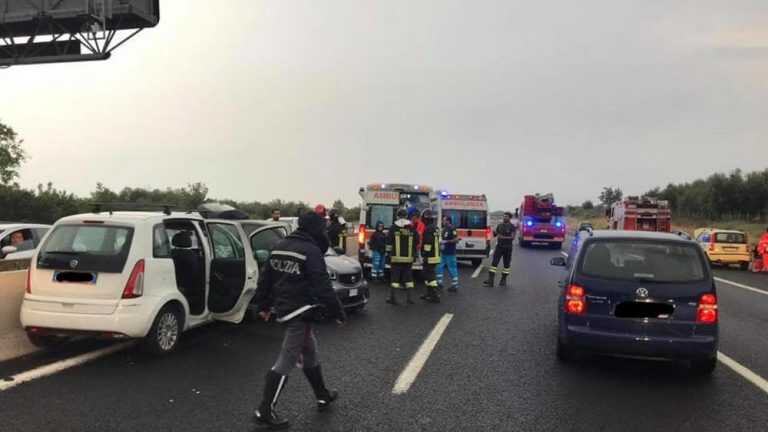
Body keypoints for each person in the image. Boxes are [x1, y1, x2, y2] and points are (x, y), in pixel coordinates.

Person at [251, 212, 347, 429]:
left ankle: (322, 395)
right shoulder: (311, 250)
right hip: (300, 311)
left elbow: (266, 278)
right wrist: (338, 312)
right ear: (314, 229)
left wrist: (263, 305)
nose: (324, 232)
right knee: (287, 359)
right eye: (322, 228)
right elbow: (322, 285)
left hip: (284, 307)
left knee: (310, 351)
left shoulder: (280, 245)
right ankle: (264, 409)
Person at [386, 208, 419, 305]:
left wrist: (388, 255)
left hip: (396, 259)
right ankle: (409, 299)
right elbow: (417, 240)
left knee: (395, 280)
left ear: (398, 216)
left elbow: (388, 243)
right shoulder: (411, 227)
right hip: (408, 259)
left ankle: (393, 298)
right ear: (406, 216)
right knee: (408, 279)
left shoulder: (393, 227)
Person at [483, 212, 517, 287]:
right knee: (494, 264)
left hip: (508, 248)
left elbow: (513, 237)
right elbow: (495, 234)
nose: (504, 217)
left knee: (506, 265)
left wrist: (502, 237)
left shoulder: (512, 227)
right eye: (504, 216)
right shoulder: (500, 225)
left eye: (506, 216)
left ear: (509, 218)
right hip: (499, 247)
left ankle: (503, 280)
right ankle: (490, 281)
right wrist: (493, 232)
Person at [419, 209, 441, 303]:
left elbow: (428, 243)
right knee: (427, 274)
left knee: (430, 275)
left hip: (430, 256)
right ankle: (429, 293)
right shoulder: (435, 228)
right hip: (435, 255)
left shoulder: (428, 229)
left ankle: (434, 295)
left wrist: (425, 255)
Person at [436, 215, 460, 292]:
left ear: (448, 221)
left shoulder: (452, 229)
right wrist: (441, 243)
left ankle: (455, 285)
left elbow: (456, 240)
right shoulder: (444, 229)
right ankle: (439, 283)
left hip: (450, 253)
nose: (443, 221)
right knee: (439, 267)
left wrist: (447, 242)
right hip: (443, 252)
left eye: (444, 220)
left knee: (452, 268)